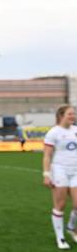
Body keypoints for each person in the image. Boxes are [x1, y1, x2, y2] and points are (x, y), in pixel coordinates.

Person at [43, 104, 77, 250]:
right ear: (61, 116)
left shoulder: (76, 130)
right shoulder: (53, 133)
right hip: (60, 171)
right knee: (60, 205)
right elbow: (47, 156)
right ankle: (60, 238)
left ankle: (70, 227)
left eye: (74, 114)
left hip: (76, 171)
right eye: (70, 114)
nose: (73, 116)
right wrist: (46, 174)